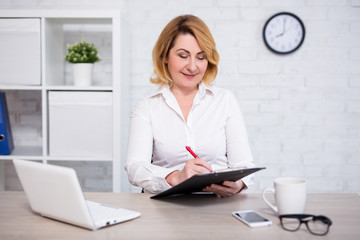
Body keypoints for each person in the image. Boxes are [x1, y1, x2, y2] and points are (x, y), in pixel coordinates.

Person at [125, 14, 255, 197]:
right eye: (183, 56)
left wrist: (239, 184)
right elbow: (135, 167)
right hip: (165, 209)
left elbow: (244, 164)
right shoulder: (147, 106)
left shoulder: (225, 100)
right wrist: (175, 177)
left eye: (201, 57)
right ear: (165, 56)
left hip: (217, 206)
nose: (193, 67)